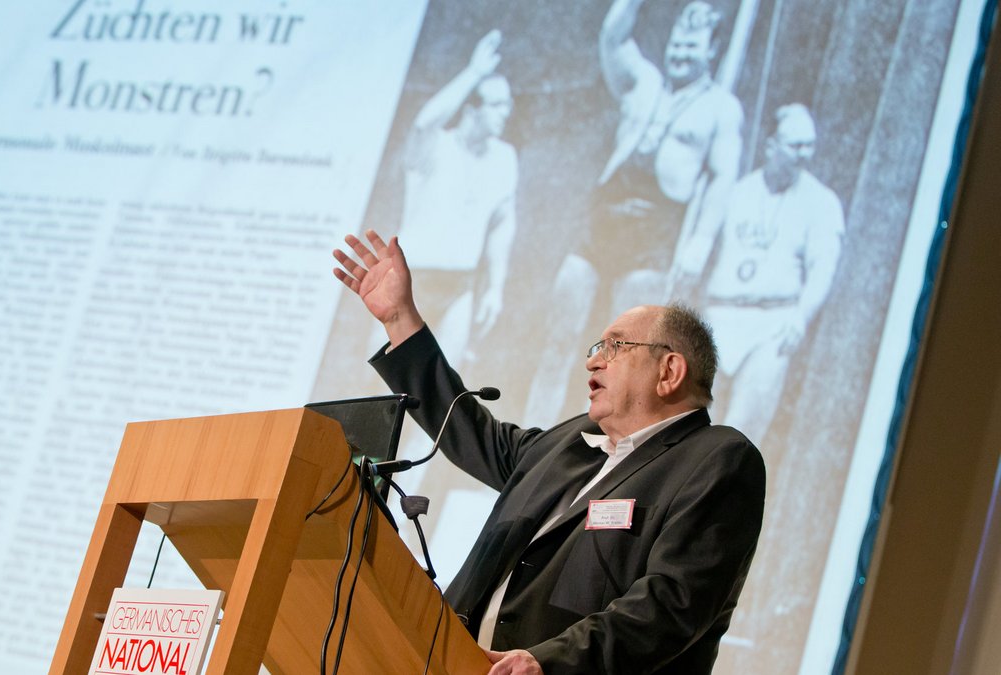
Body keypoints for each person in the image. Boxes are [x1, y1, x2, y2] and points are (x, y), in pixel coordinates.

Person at [332, 230, 765, 675]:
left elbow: (671, 604)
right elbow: (466, 430)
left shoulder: (717, 460)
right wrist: (401, 320)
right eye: (597, 348)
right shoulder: (570, 442)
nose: (592, 361)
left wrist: (547, 662)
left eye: (615, 346)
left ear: (669, 371)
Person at [525, 0, 743, 425]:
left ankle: (608, 463)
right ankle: (533, 446)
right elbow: (613, 37)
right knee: (558, 336)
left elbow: (721, 184)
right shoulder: (644, 81)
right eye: (676, 43)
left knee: (629, 365)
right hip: (602, 223)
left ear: (712, 51)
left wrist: (697, 248)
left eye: (691, 46)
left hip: (653, 234)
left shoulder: (720, 108)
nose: (679, 52)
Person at [677, 103, 844, 446]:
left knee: (740, 432)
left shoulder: (822, 203)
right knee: (692, 426)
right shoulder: (737, 191)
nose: (804, 154)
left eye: (809, 145)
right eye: (795, 145)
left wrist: (800, 318)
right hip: (720, 318)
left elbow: (822, 269)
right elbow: (703, 244)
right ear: (771, 145)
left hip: (772, 324)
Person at [394, 28, 518, 368]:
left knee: (444, 388)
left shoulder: (504, 158)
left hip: (459, 285)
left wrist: (495, 287)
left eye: (508, 104)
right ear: (471, 110)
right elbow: (424, 121)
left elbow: (501, 224)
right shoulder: (436, 145)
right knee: (383, 386)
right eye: (496, 105)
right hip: (410, 283)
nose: (505, 113)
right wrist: (474, 73)